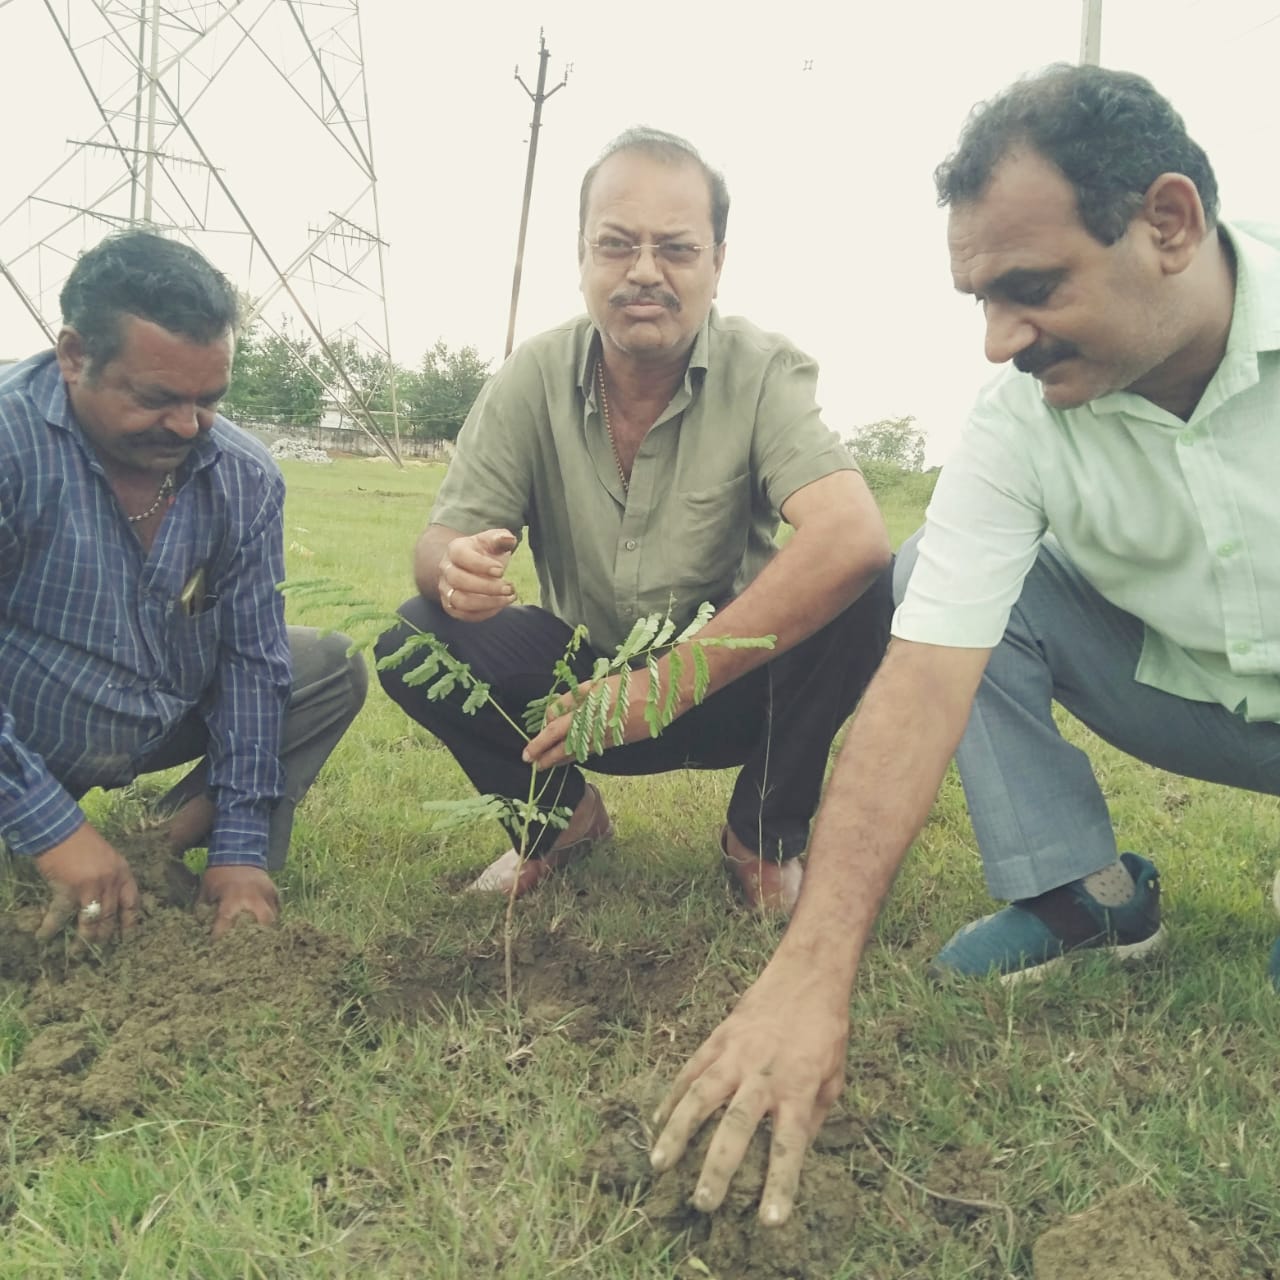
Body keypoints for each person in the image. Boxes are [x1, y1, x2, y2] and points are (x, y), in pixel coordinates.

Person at [649, 63, 1280, 1225]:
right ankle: (1079, 895)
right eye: (978, 298)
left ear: (1168, 223)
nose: (998, 341)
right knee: (931, 571)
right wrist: (809, 968)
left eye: (1030, 287)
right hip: (1177, 693)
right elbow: (923, 677)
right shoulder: (1018, 422)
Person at [376, 128, 893, 910]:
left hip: (731, 684)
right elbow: (440, 541)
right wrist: (452, 570)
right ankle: (559, 825)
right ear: (582, 256)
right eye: (616, 245)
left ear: (719, 262)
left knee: (866, 591)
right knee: (413, 636)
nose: (643, 272)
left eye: (676, 249)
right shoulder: (531, 376)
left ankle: (760, 834)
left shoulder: (764, 372)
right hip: (578, 696)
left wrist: (671, 681)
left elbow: (852, 533)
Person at [0, 229, 367, 944]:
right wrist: (50, 824)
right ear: (75, 357)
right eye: (157, 397)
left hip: (157, 711)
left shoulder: (243, 477)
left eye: (210, 399)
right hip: (34, 722)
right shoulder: (11, 445)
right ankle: (56, 840)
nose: (187, 424)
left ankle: (145, 849)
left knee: (326, 670)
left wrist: (239, 851)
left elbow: (254, 664)